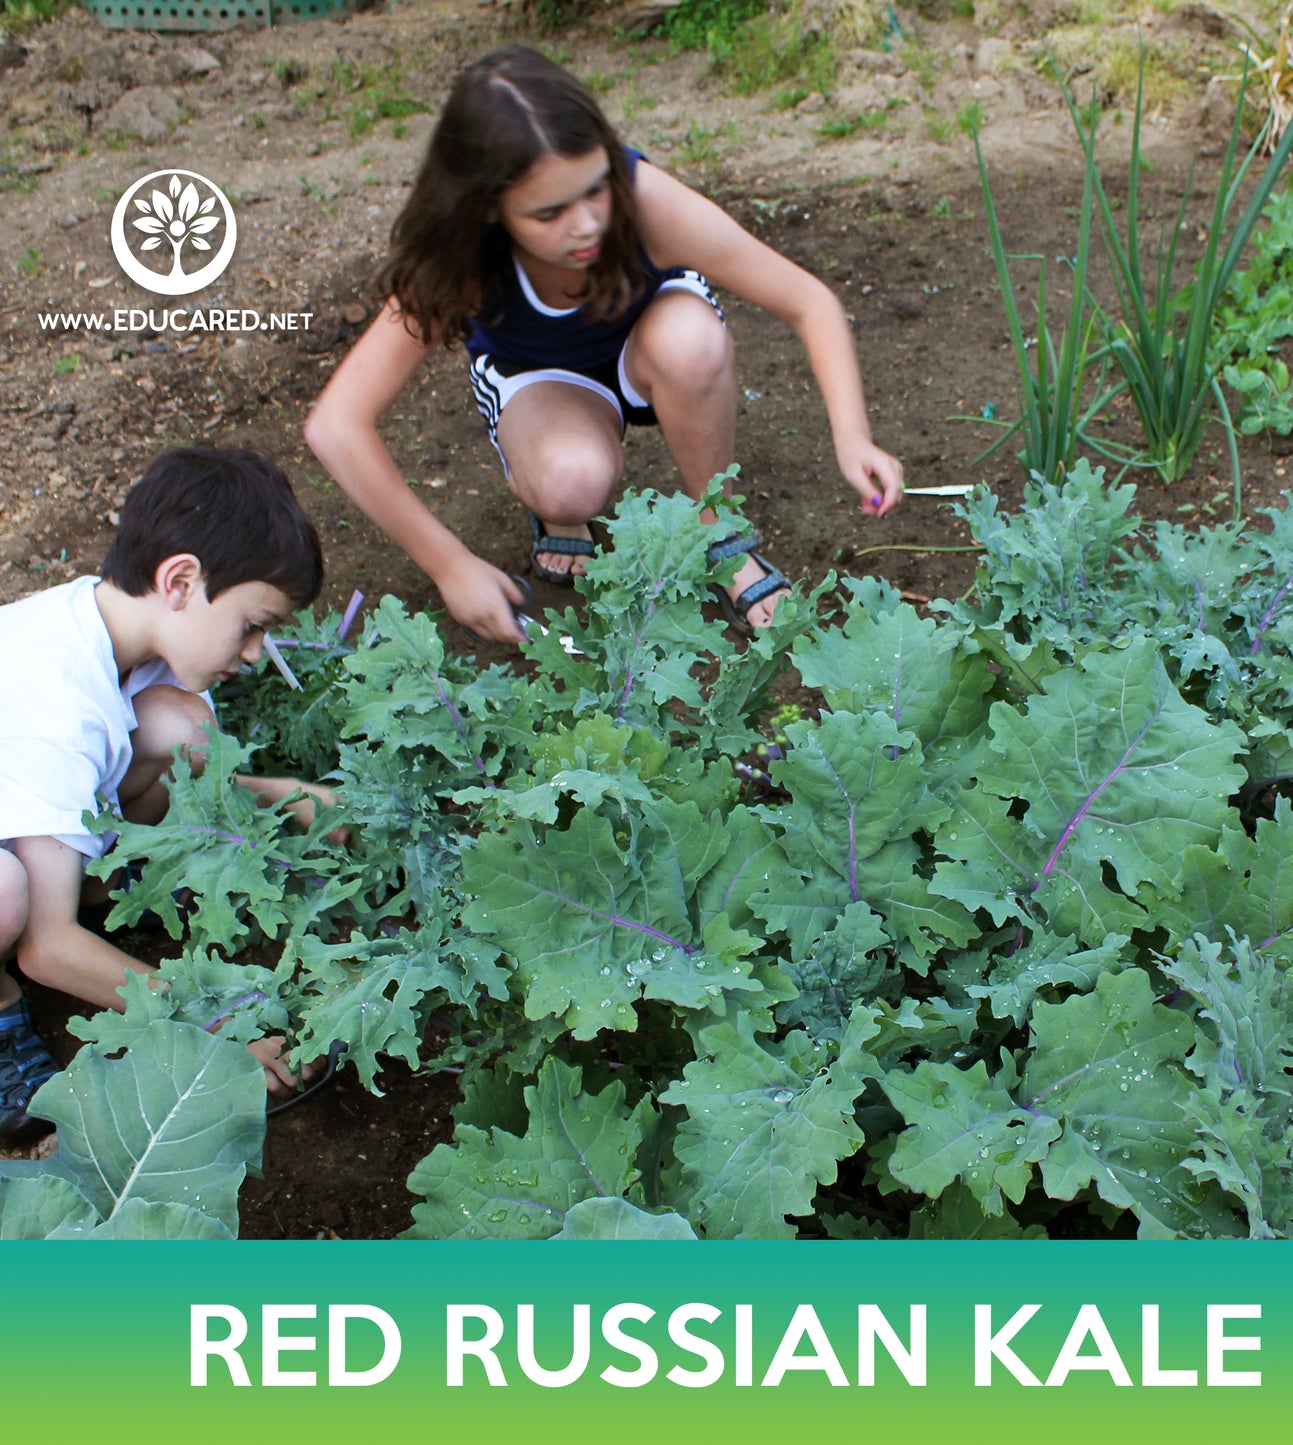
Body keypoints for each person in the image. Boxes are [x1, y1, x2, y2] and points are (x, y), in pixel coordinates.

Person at [305, 44, 903, 645]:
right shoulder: (458, 264)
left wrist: (852, 437)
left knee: (691, 341)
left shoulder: (647, 204)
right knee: (570, 481)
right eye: (549, 213)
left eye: (595, 189)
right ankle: (559, 510)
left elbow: (808, 300)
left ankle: (716, 531)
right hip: (546, 378)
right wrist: (449, 563)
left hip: (655, 345)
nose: (587, 224)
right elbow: (336, 425)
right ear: (488, 209)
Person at [0, 446, 334, 1143]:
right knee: (8, 895)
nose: (252, 652)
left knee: (183, 725)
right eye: (252, 625)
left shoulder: (125, 630)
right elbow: (46, 947)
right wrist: (215, 1023)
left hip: (28, 810)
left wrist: (276, 792)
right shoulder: (54, 697)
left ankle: (103, 881)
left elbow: (173, 737)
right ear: (180, 579)